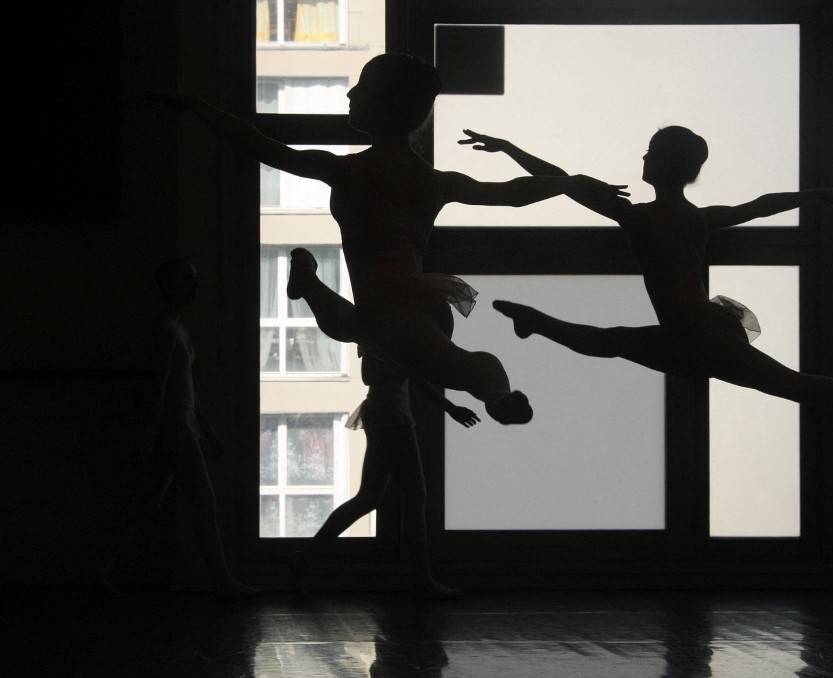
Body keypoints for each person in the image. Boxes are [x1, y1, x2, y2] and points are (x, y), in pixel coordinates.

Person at [148, 54, 624, 425]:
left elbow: (262, 146)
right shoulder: (432, 180)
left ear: (387, 105)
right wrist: (572, 181)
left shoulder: (347, 170)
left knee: (391, 343)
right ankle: (495, 390)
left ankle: (494, 389)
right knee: (400, 347)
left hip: (390, 307)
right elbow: (523, 194)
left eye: (363, 88)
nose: (352, 93)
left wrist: (196, 105)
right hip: (420, 302)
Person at [459, 127, 833, 451]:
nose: (643, 157)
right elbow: (759, 205)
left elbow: (559, 181)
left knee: (610, 343)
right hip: (694, 332)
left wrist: (508, 147)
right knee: (612, 343)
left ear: (665, 165)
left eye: (650, 152)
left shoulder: (639, 216)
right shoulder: (696, 218)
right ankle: (536, 323)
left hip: (696, 335)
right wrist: (814, 197)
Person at [289, 302, 477, 599]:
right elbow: (382, 374)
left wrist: (449, 406)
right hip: (391, 414)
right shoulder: (385, 333)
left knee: (370, 497)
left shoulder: (384, 332)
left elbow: (407, 376)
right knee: (413, 496)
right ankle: (421, 579)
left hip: (386, 412)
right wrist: (449, 406)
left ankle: (305, 559)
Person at [101, 259, 254, 596]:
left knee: (146, 504)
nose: (195, 287)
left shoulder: (175, 330)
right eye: (188, 280)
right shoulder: (168, 332)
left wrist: (207, 431)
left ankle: (102, 571)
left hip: (178, 427)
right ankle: (223, 581)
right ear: (169, 286)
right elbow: (160, 389)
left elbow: (183, 390)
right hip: (175, 429)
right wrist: (151, 435)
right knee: (204, 501)